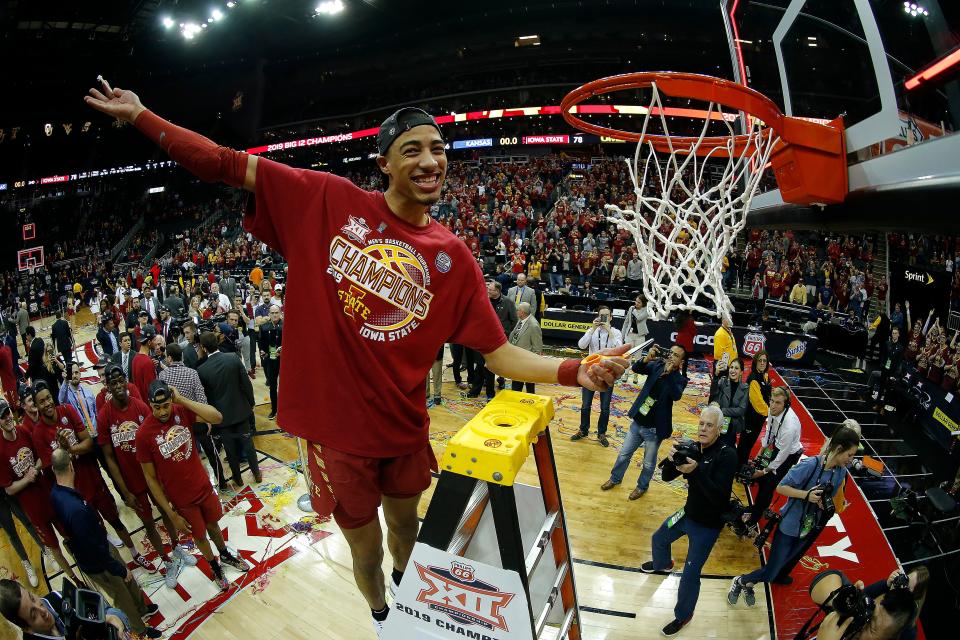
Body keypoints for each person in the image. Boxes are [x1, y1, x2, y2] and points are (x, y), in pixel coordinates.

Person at [85, 85, 628, 635]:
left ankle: (406, 592)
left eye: (438, 148)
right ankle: (380, 616)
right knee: (363, 551)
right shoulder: (326, 199)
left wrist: (572, 371)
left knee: (407, 531)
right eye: (413, 149)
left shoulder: (455, 258)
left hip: (402, 429)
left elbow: (500, 355)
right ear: (384, 164)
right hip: (337, 437)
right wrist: (142, 115)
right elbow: (222, 164)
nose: (429, 159)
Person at [137, 380, 250, 592]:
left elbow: (217, 417)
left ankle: (224, 555)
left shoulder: (181, 410)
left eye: (166, 405)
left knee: (213, 525)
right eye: (157, 407)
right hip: (181, 498)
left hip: (202, 486)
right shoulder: (144, 434)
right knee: (199, 535)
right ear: (149, 405)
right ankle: (215, 567)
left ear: (171, 400)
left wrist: (181, 399)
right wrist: (171, 514)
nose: (162, 411)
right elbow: (150, 479)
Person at [29, 381, 154, 571]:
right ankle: (120, 566)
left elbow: (88, 442)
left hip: (93, 479)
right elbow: (53, 468)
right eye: (41, 401)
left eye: (47, 398)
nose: (46, 403)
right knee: (98, 532)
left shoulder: (68, 411)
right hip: (76, 494)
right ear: (36, 406)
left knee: (115, 520)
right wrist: (66, 450)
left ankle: (135, 554)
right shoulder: (38, 434)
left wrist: (69, 448)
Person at [729, 425, 860, 606]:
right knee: (772, 571)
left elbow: (830, 497)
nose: (851, 460)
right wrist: (806, 495)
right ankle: (742, 581)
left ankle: (748, 583)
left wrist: (823, 502)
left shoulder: (841, 473)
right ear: (839, 449)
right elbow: (781, 487)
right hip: (789, 526)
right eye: (850, 455)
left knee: (779, 566)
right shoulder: (810, 465)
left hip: (807, 528)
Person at [640, 405, 738, 636]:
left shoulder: (727, 454)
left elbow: (719, 497)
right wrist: (673, 459)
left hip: (708, 525)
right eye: (701, 423)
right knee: (659, 538)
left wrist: (695, 472)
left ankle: (683, 616)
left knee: (689, 576)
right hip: (687, 513)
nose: (703, 429)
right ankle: (663, 564)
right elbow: (665, 476)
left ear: (719, 428)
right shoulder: (694, 447)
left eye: (709, 425)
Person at [98, 364, 198, 589]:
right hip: (132, 482)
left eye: (120, 381)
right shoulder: (105, 415)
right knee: (148, 524)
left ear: (125, 381)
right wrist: (123, 491)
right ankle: (165, 562)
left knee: (166, 512)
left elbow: (157, 439)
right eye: (113, 383)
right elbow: (108, 457)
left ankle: (176, 548)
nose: (118, 386)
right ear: (108, 386)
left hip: (153, 476)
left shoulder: (141, 406)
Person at [49, 449, 162, 638]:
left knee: (129, 583)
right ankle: (139, 629)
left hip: (98, 546)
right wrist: (118, 569)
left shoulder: (56, 492)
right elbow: (95, 551)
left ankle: (142, 608)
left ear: (53, 469)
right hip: (98, 560)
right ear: (71, 465)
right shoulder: (76, 509)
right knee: (121, 594)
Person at [603, 344, 689, 498]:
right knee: (623, 454)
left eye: (676, 355)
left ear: (681, 362)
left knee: (648, 463)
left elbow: (676, 396)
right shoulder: (657, 365)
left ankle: (642, 486)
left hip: (655, 430)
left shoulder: (680, 379)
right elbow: (636, 368)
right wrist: (646, 358)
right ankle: (615, 478)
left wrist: (669, 374)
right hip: (638, 421)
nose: (671, 356)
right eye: (670, 352)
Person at [0, 399, 67, 588]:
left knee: (35, 523)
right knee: (12, 531)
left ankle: (46, 550)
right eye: (2, 416)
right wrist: (27, 478)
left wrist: (34, 471)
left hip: (32, 489)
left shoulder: (22, 431)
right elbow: (9, 487)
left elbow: (38, 457)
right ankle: (26, 562)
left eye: (7, 413)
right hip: (13, 493)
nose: (7, 418)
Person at [197, 331, 261, 487]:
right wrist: (251, 402)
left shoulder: (202, 370)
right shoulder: (232, 357)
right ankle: (257, 473)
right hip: (240, 410)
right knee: (248, 444)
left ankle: (238, 479)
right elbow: (246, 383)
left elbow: (206, 398)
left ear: (204, 348)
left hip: (221, 417)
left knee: (230, 450)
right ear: (217, 343)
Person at [161, 343, 227, 490]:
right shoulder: (192, 373)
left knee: (187, 456)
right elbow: (201, 397)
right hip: (197, 418)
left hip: (178, 423)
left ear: (169, 358)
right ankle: (221, 482)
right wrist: (207, 420)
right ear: (182, 356)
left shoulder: (163, 375)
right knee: (211, 453)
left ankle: (195, 487)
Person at [741, 386, 805, 527]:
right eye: (772, 401)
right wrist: (759, 454)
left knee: (768, 485)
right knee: (763, 482)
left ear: (785, 404)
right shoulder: (772, 410)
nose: (773, 405)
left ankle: (753, 520)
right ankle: (758, 507)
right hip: (778, 446)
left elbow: (781, 456)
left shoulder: (790, 426)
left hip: (789, 454)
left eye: (778, 403)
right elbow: (769, 430)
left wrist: (762, 472)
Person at [0, 578, 135, 639]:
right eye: (33, 615)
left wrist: (109, 617)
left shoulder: (58, 597)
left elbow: (101, 611)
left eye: (33, 598)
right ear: (27, 629)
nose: (43, 610)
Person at [573, 306, 623, 447]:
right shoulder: (592, 331)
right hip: (591, 372)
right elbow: (581, 345)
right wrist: (592, 330)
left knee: (605, 407)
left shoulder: (616, 332)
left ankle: (601, 433)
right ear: (597, 317)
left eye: (606, 316)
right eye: (601, 316)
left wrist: (609, 332)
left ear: (611, 318)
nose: (604, 319)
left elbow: (618, 348)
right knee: (585, 405)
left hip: (607, 373)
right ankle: (583, 430)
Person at [862, 567, 928, 640]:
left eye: (907, 588)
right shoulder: (890, 594)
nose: (902, 585)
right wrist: (886, 584)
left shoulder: (909, 631)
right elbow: (862, 596)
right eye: (906, 580)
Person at [739, 350, 771, 467]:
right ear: (755, 362)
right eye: (760, 360)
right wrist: (771, 413)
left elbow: (767, 396)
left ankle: (743, 462)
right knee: (745, 444)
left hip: (759, 419)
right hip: (751, 419)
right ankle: (739, 466)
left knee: (750, 443)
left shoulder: (765, 376)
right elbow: (758, 404)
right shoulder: (753, 379)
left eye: (764, 361)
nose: (762, 363)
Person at [709, 358, 748, 447]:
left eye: (736, 368)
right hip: (718, 423)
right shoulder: (722, 381)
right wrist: (715, 376)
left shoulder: (745, 388)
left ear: (741, 372)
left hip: (732, 427)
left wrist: (722, 410)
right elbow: (713, 395)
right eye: (731, 367)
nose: (733, 370)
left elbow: (741, 410)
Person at [507, 302, 543, 393]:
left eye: (517, 310)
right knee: (516, 383)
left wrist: (533, 363)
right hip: (517, 358)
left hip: (527, 361)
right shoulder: (521, 320)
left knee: (529, 386)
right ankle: (516, 401)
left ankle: (529, 403)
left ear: (522, 312)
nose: (516, 312)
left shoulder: (533, 325)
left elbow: (537, 347)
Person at [258, 305, 282, 419]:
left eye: (276, 312)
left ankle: (286, 408)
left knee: (285, 385)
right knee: (272, 386)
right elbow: (261, 344)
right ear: (269, 314)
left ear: (280, 313)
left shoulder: (286, 326)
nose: (274, 315)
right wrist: (264, 354)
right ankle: (274, 409)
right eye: (272, 313)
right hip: (271, 360)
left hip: (284, 361)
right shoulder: (264, 327)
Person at [675, 310, 696, 376]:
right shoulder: (690, 319)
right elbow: (693, 331)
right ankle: (684, 374)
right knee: (685, 359)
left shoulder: (679, 317)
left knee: (677, 357)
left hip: (679, 339)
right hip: (686, 341)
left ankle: (675, 372)